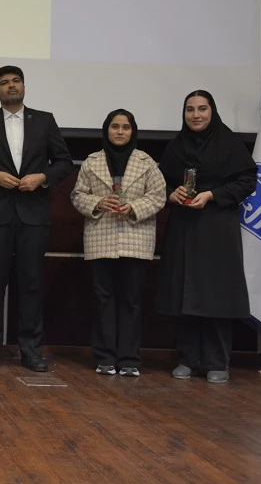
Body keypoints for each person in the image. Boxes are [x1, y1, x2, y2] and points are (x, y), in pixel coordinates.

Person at [0, 65, 73, 372]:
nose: (11, 86)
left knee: (32, 284)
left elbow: (64, 162)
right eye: (4, 83)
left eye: (16, 81)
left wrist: (43, 177)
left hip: (34, 215)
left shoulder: (45, 120)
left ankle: (32, 350)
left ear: (24, 86)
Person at [157, 90, 257, 383]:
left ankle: (217, 362)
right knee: (186, 291)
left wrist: (212, 195)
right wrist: (171, 194)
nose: (196, 115)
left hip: (217, 226)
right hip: (184, 227)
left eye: (202, 109)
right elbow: (160, 182)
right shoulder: (176, 146)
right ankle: (187, 358)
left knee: (216, 293)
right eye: (190, 109)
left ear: (212, 111)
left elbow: (248, 180)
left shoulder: (229, 143)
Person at [70, 109, 166, 377]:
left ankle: (129, 359)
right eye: (115, 127)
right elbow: (77, 195)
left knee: (131, 300)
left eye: (125, 127)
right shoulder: (91, 162)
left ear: (133, 131)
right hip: (101, 237)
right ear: (106, 130)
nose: (120, 132)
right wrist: (98, 202)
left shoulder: (147, 162)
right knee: (104, 299)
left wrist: (133, 207)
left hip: (136, 238)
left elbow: (159, 196)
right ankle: (105, 358)